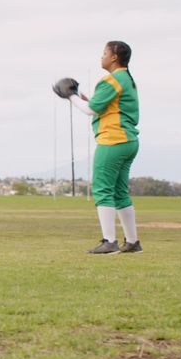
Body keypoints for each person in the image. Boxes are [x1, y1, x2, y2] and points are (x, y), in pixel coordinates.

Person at [65, 42, 141, 254]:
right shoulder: (126, 79)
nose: (102, 57)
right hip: (128, 141)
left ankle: (110, 242)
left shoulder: (111, 80)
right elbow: (103, 107)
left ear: (114, 57)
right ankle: (133, 242)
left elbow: (90, 111)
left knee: (102, 190)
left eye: (105, 53)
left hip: (113, 140)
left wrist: (69, 96)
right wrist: (86, 100)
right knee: (119, 192)